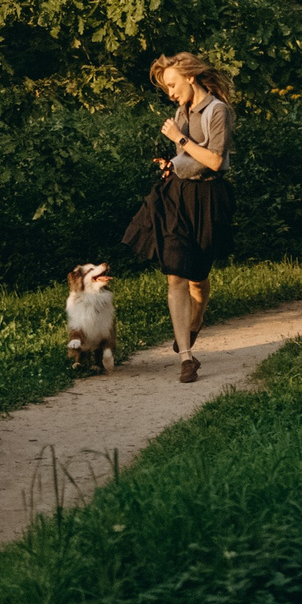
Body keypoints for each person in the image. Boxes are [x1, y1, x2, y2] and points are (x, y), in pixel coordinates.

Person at [122, 52, 234, 383]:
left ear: (190, 77)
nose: (170, 93)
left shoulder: (218, 111)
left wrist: (180, 141)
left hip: (210, 198)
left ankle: (194, 324)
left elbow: (214, 161)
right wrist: (172, 162)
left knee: (198, 277)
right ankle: (186, 357)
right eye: (166, 88)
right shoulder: (180, 112)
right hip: (177, 196)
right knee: (174, 273)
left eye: (172, 85)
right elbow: (186, 156)